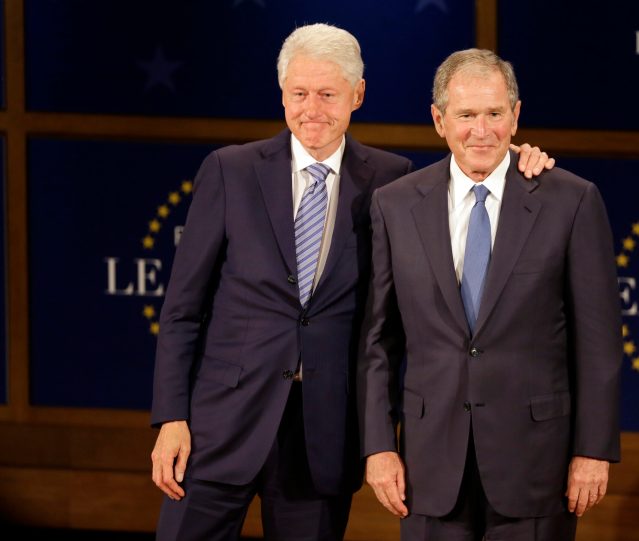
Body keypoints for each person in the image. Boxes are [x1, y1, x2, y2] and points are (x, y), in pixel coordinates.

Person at [150, 25, 554, 541]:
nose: (311, 109)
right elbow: (182, 309)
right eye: (299, 93)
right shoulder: (230, 170)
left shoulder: (393, 181)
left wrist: (519, 158)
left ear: (357, 95)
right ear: (282, 94)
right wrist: (171, 418)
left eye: (327, 94)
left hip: (323, 435)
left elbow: (473, 158)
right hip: (216, 429)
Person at [358, 48, 623, 541]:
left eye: (495, 114)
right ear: (439, 120)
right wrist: (379, 446)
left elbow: (598, 342)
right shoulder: (395, 205)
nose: (481, 131)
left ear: (515, 116)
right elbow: (378, 342)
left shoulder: (570, 201)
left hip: (537, 464)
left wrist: (593, 450)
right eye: (466, 115)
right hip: (428, 466)